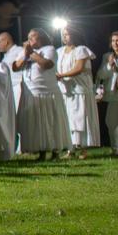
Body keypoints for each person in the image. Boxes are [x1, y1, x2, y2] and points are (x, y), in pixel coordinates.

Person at [13, 28, 70, 160]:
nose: (30, 39)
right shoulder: (25, 52)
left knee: (51, 122)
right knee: (37, 124)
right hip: (31, 93)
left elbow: (46, 64)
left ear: (42, 38)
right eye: (28, 37)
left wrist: (31, 53)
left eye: (33, 36)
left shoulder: (49, 49)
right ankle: (41, 151)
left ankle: (55, 151)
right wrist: (26, 54)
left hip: (47, 92)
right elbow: (15, 67)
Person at [55, 23, 99, 158]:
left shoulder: (81, 50)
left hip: (80, 90)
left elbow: (78, 68)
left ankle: (83, 149)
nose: (64, 37)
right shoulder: (60, 51)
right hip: (66, 90)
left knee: (80, 119)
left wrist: (61, 75)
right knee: (69, 120)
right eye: (63, 34)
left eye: (67, 34)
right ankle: (71, 149)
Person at [0, 31, 23, 111]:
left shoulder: (19, 50)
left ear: (6, 41)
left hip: (19, 88)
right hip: (10, 90)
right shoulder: (6, 56)